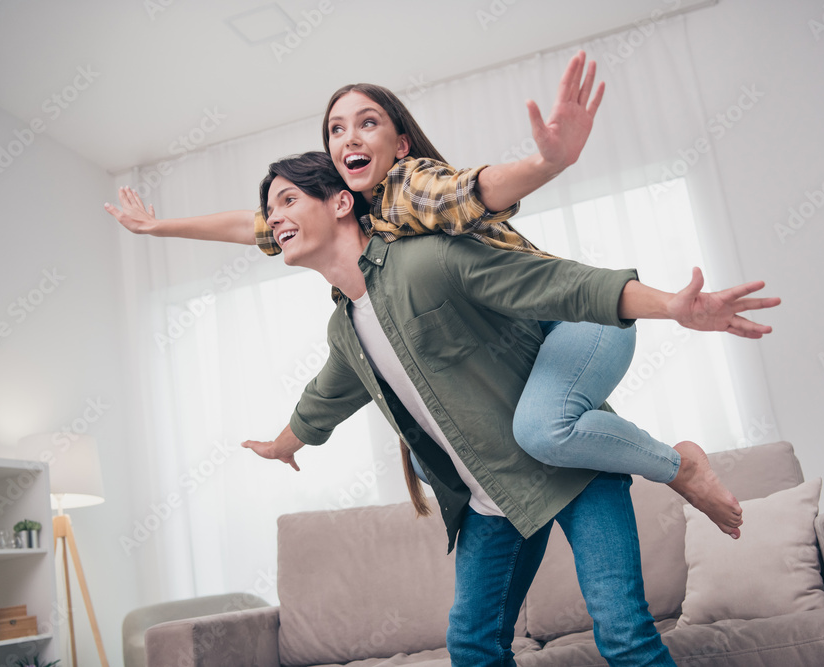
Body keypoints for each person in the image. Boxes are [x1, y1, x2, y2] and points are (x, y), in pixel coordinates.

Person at [105, 52, 747, 537]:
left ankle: (679, 464)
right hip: (534, 336)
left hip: (576, 315)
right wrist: (159, 226)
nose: (350, 137)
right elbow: (249, 228)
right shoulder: (342, 209)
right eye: (336, 129)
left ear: (401, 142)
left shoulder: (406, 187)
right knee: (545, 430)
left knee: (542, 430)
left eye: (368, 123)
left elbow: (473, 190)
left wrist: (548, 164)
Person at [242, 150, 779, 664]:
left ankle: (678, 465)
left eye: (288, 200)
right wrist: (281, 446)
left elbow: (551, 282)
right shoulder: (346, 329)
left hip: (577, 472)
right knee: (474, 648)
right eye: (270, 211)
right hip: (492, 499)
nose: (276, 218)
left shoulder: (424, 261)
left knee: (625, 636)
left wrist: (670, 306)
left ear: (339, 202)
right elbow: (322, 399)